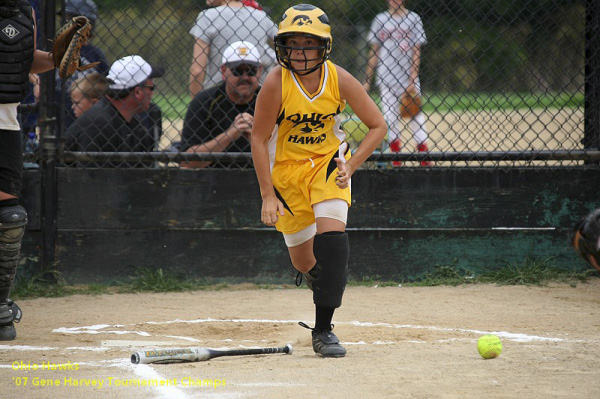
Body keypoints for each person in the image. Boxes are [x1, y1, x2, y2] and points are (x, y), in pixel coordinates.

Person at [251, 4, 386, 357]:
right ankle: (317, 279)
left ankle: (323, 331)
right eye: (291, 44)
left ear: (323, 46)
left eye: (308, 44)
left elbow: (378, 125)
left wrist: (352, 165)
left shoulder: (338, 78)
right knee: (305, 262)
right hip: (287, 175)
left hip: (328, 164)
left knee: (333, 241)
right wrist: (268, 194)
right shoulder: (275, 82)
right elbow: (258, 137)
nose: (299, 52)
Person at [0, 0, 56, 340]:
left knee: (9, 217)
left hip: (5, 122)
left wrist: (55, 60)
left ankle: (0, 305)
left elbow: (18, 59)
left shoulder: (23, 10)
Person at [364, 0, 431, 166]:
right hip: (385, 77)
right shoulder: (380, 19)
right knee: (390, 118)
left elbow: (417, 50)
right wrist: (367, 80)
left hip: (407, 78)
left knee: (416, 117)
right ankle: (395, 158)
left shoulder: (413, 19)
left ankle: (424, 156)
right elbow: (374, 50)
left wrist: (412, 79)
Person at [64, 55, 164, 167]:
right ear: (137, 92)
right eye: (151, 88)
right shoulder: (97, 126)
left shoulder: (133, 122)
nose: (152, 94)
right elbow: (88, 180)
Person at [181, 41, 262, 168]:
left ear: (260, 71)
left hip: (259, 181)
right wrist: (230, 134)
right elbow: (188, 161)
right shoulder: (204, 102)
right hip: (212, 182)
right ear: (224, 71)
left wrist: (255, 139)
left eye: (251, 70)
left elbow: (283, 158)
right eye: (238, 70)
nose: (245, 77)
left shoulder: (270, 101)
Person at [188, 0, 277, 97]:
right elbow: (283, 43)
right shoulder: (261, 17)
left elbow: (197, 70)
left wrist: (196, 104)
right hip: (254, 96)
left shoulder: (208, 16)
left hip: (216, 95)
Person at [56, 0, 109, 131]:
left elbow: (105, 85)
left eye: (71, 20)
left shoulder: (96, 54)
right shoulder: (56, 50)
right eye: (66, 20)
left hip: (88, 120)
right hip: (57, 116)